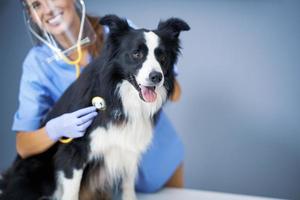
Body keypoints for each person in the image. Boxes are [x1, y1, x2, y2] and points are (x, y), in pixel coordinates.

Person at [13, 0, 184, 193]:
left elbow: (175, 93)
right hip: (104, 178)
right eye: (36, 5)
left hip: (160, 159)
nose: (48, 9)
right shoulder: (38, 63)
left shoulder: (123, 33)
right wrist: (54, 129)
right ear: (31, 16)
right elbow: (23, 146)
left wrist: (160, 71)